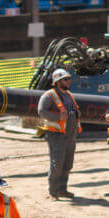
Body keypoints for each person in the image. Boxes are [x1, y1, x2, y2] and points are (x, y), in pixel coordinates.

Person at [37, 66, 80, 200]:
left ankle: (62, 190)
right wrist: (57, 118)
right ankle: (53, 192)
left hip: (70, 135)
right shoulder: (49, 95)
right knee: (57, 164)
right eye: (65, 80)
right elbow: (42, 111)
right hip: (57, 135)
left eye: (68, 79)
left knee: (68, 164)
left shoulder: (70, 95)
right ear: (57, 82)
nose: (68, 81)